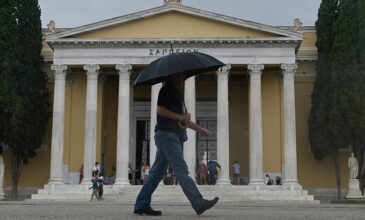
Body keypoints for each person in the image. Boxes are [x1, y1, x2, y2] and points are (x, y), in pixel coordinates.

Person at [134, 72, 219, 216]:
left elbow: (182, 121)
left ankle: (141, 204)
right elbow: (160, 110)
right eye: (183, 75)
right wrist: (180, 116)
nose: (185, 78)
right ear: (174, 76)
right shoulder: (166, 90)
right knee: (181, 170)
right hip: (167, 135)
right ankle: (198, 203)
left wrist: (200, 129)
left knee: (156, 173)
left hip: (168, 135)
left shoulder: (176, 93)